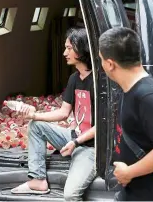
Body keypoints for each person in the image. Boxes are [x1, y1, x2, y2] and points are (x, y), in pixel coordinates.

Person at [98, 27, 153, 201]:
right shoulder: (129, 90)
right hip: (135, 191)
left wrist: (129, 172)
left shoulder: (147, 96)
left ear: (110, 64)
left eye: (100, 60)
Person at [11, 28, 96, 201]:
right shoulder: (74, 79)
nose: (65, 53)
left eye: (69, 48)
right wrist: (34, 115)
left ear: (82, 49)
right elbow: (64, 113)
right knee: (36, 127)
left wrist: (75, 142)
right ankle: (38, 180)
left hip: (91, 147)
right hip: (73, 138)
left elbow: (104, 125)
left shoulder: (99, 81)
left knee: (71, 195)